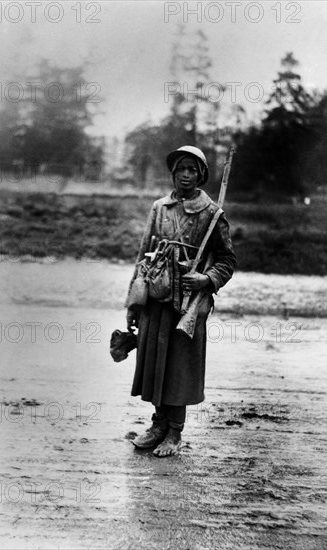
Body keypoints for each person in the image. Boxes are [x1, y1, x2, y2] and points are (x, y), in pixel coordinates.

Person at [125, 146, 236, 457]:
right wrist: (133, 303)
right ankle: (158, 424)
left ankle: (174, 432)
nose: (186, 174)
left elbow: (227, 260)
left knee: (179, 367)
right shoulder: (159, 208)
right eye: (181, 169)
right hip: (156, 297)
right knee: (155, 363)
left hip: (188, 303)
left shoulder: (212, 213)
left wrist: (206, 279)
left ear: (200, 175)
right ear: (173, 174)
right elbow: (141, 256)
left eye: (192, 169)